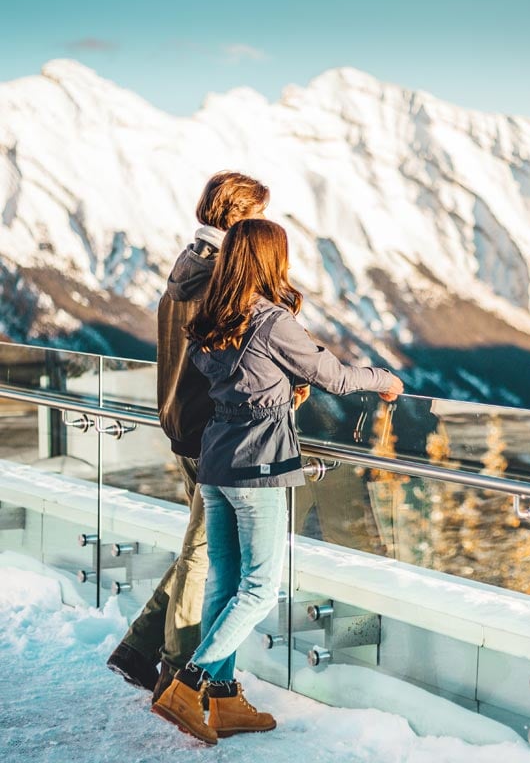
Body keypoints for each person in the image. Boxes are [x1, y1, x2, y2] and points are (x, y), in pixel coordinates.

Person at [151, 218, 404, 745]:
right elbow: (331, 374)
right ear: (270, 261)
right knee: (262, 586)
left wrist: (277, 390)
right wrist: (384, 381)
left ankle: (222, 702)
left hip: (216, 460)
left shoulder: (211, 315)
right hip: (258, 465)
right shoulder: (269, 320)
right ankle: (190, 681)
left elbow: (235, 379)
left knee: (224, 581)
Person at [107, 172, 279, 702]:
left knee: (198, 549)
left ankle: (138, 651)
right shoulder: (219, 283)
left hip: (182, 427)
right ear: (237, 218)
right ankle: (177, 671)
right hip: (217, 435)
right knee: (205, 556)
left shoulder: (183, 269)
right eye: (255, 217)